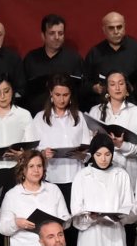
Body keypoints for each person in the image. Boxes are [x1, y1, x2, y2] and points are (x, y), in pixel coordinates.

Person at [0, 151, 70, 246]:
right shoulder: (12, 195)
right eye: (31, 166)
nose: (36, 170)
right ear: (23, 170)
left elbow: (66, 220)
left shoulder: (53, 190)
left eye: (39, 166)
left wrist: (59, 224)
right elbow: (3, 228)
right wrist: (17, 223)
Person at [70, 135, 134, 246]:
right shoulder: (82, 176)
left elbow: (131, 210)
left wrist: (121, 216)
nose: (103, 159)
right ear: (92, 154)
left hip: (115, 240)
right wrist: (92, 217)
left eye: (107, 154)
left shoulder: (121, 175)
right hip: (91, 240)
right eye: (98, 155)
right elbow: (76, 214)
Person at [36, 76, 94, 205]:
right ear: (51, 93)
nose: (62, 100)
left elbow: (88, 149)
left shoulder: (79, 116)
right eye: (57, 95)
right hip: (51, 178)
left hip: (76, 178)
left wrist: (82, 155)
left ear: (71, 94)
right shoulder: (40, 118)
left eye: (65, 95)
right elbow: (32, 150)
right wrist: (43, 154)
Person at [92, 70, 137, 193]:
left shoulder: (136, 112)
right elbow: (88, 146)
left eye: (121, 83)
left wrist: (121, 145)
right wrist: (94, 141)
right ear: (107, 88)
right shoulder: (95, 111)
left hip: (129, 175)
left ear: (127, 87)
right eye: (112, 84)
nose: (117, 88)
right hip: (101, 176)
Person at [82, 11, 137, 106]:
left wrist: (132, 89)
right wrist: (94, 88)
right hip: (103, 107)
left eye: (119, 27)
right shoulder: (95, 53)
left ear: (124, 26)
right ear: (104, 30)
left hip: (131, 106)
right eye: (111, 28)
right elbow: (85, 83)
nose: (116, 31)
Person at [20, 14, 83, 113]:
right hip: (36, 115)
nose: (57, 37)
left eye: (60, 33)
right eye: (52, 33)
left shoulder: (74, 58)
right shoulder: (31, 58)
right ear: (43, 35)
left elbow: (81, 89)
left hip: (67, 116)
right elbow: (23, 90)